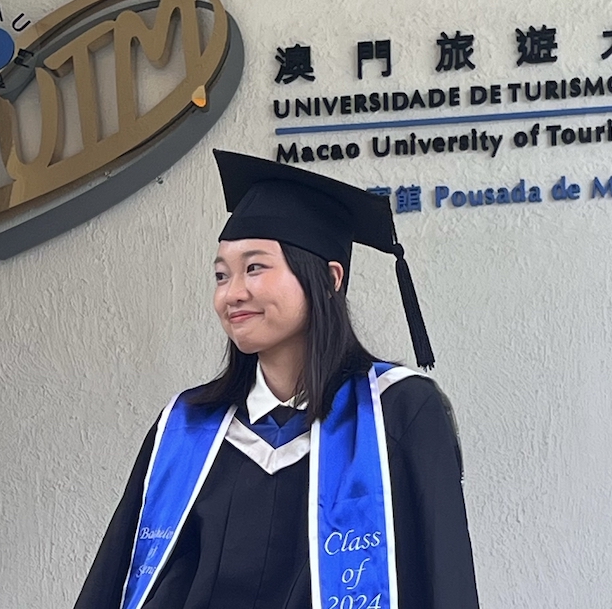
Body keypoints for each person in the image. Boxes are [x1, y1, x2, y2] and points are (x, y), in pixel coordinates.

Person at [73, 150, 479, 609]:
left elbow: (444, 578)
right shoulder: (186, 429)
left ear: (330, 278)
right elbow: (116, 578)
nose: (232, 294)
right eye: (221, 275)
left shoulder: (399, 412)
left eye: (255, 268)